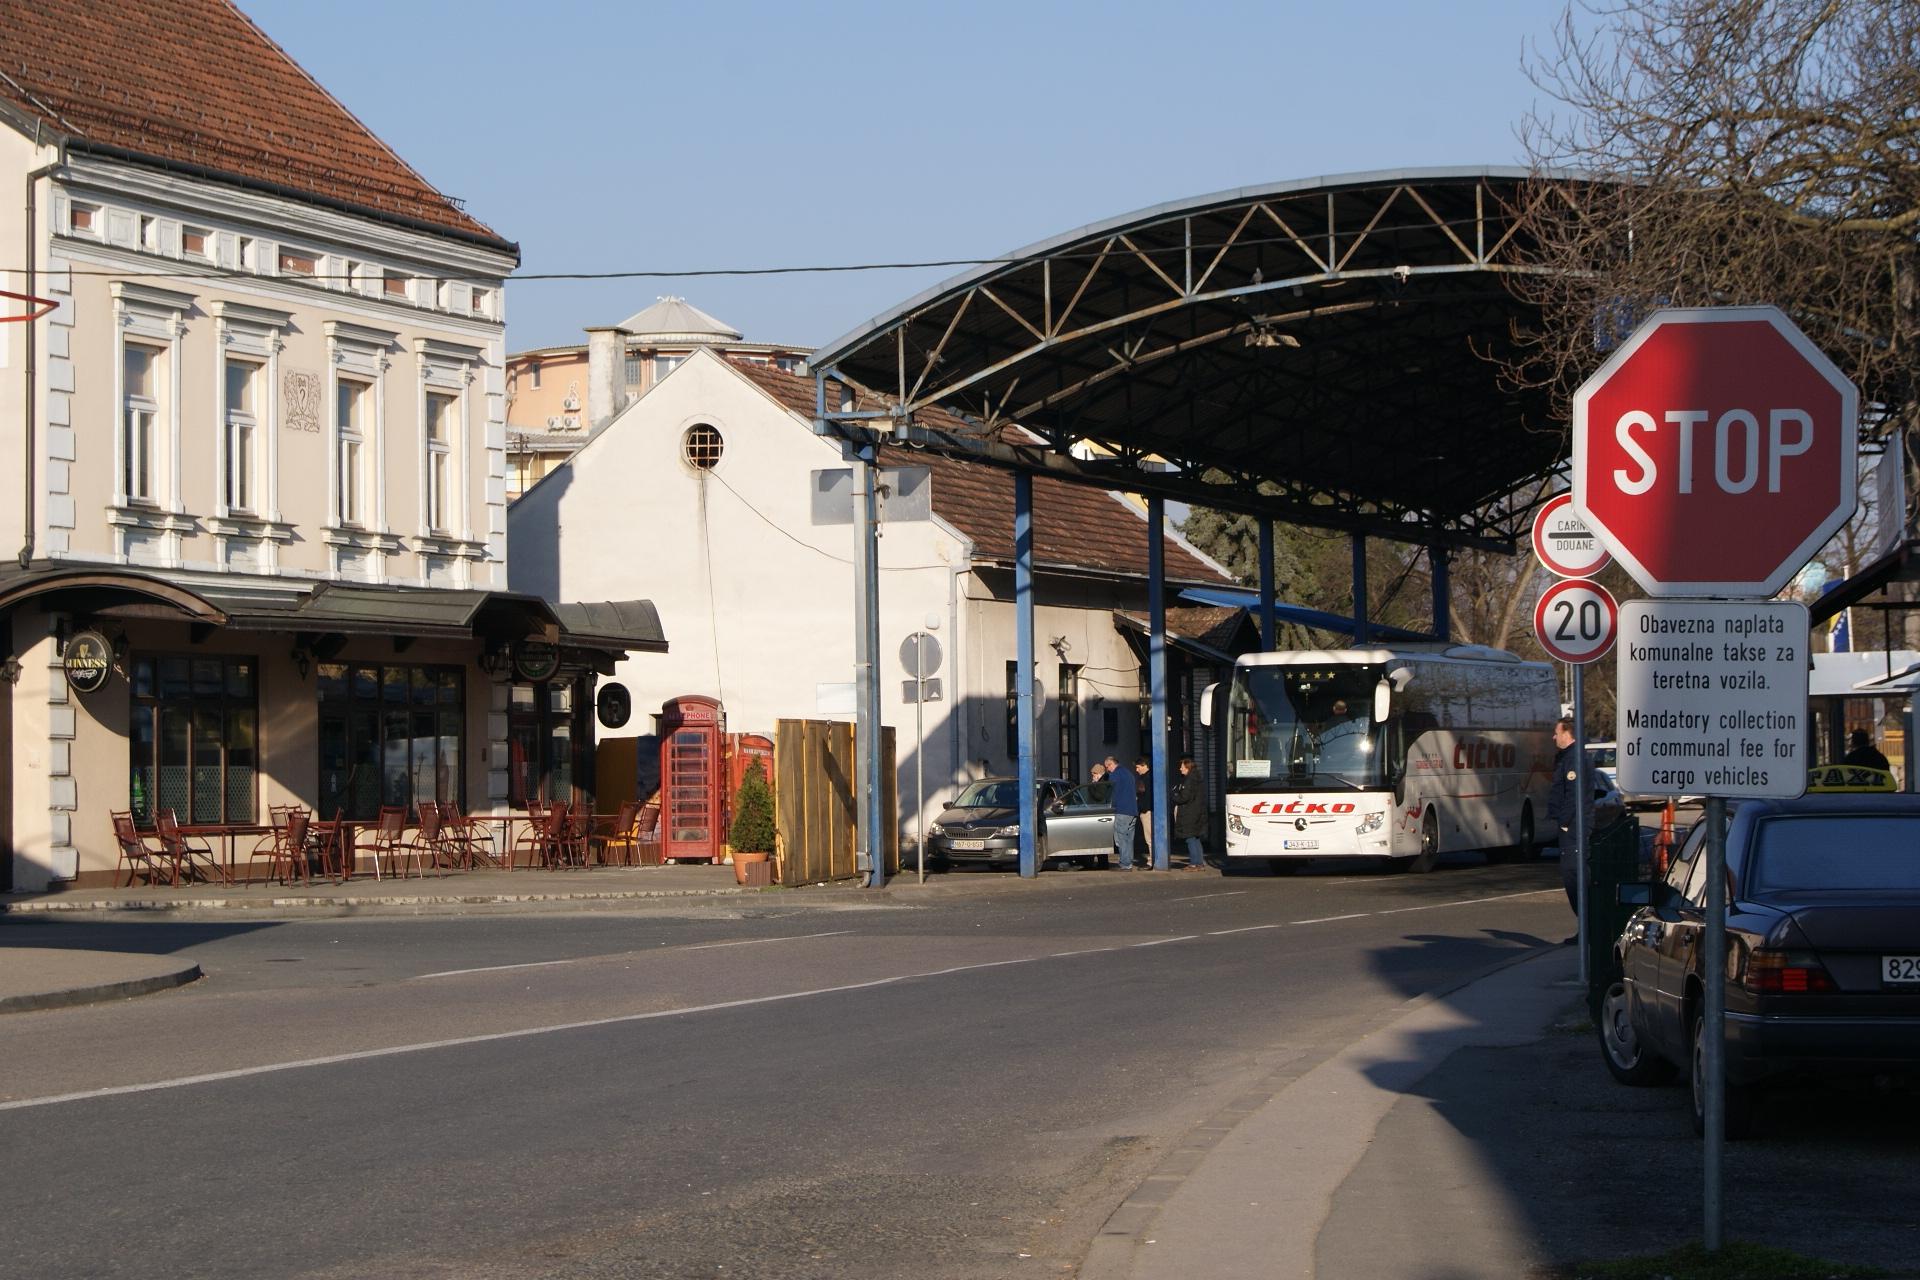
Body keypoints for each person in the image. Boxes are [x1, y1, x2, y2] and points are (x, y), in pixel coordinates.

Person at [1546, 717, 1581, 921]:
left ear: (1567, 733)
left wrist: (1565, 822)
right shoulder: (1565, 757)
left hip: (1573, 829)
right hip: (1569, 827)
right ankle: (1583, 928)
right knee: (1570, 878)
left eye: (1557, 732)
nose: (1554, 736)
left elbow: (1573, 795)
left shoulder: (1573, 758)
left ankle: (1586, 929)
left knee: (1573, 877)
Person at [1173, 755, 1209, 870]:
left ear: (1187, 767)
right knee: (1195, 837)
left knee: (1190, 838)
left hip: (1189, 813)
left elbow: (1184, 797)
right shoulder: (1197, 778)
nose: (1180, 769)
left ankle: (1194, 863)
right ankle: (1199, 863)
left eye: (1182, 766)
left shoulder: (1189, 780)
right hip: (1198, 813)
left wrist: (1174, 795)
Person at [1109, 752, 1140, 870]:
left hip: (1121, 810)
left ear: (1110, 765)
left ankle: (1125, 863)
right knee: (1129, 838)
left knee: (1121, 838)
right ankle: (1128, 861)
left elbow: (1113, 794)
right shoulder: (1129, 773)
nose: (1108, 770)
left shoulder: (1115, 775)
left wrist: (1112, 806)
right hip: (1132, 810)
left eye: (1108, 768)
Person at [1133, 757, 1155, 867]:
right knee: (1150, 837)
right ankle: (1153, 859)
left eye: (1138, 767)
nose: (1136, 770)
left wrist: (1141, 808)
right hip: (1147, 810)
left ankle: (1152, 860)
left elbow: (1144, 796)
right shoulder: (1149, 777)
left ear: (1145, 766)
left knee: (1150, 838)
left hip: (1146, 811)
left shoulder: (1145, 779)